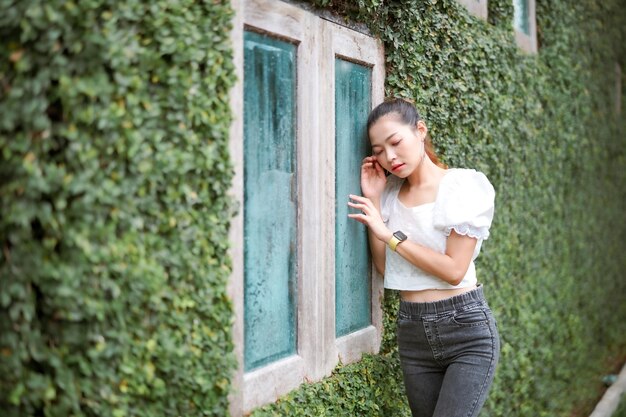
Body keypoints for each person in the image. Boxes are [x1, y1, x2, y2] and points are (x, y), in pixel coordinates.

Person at [347, 98, 500, 417]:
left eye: (395, 142)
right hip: (413, 332)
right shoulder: (387, 194)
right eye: (378, 151)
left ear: (419, 130)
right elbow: (384, 267)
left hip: (465, 330)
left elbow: (454, 270)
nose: (389, 156)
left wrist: (389, 235)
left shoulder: (462, 187)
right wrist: (374, 200)